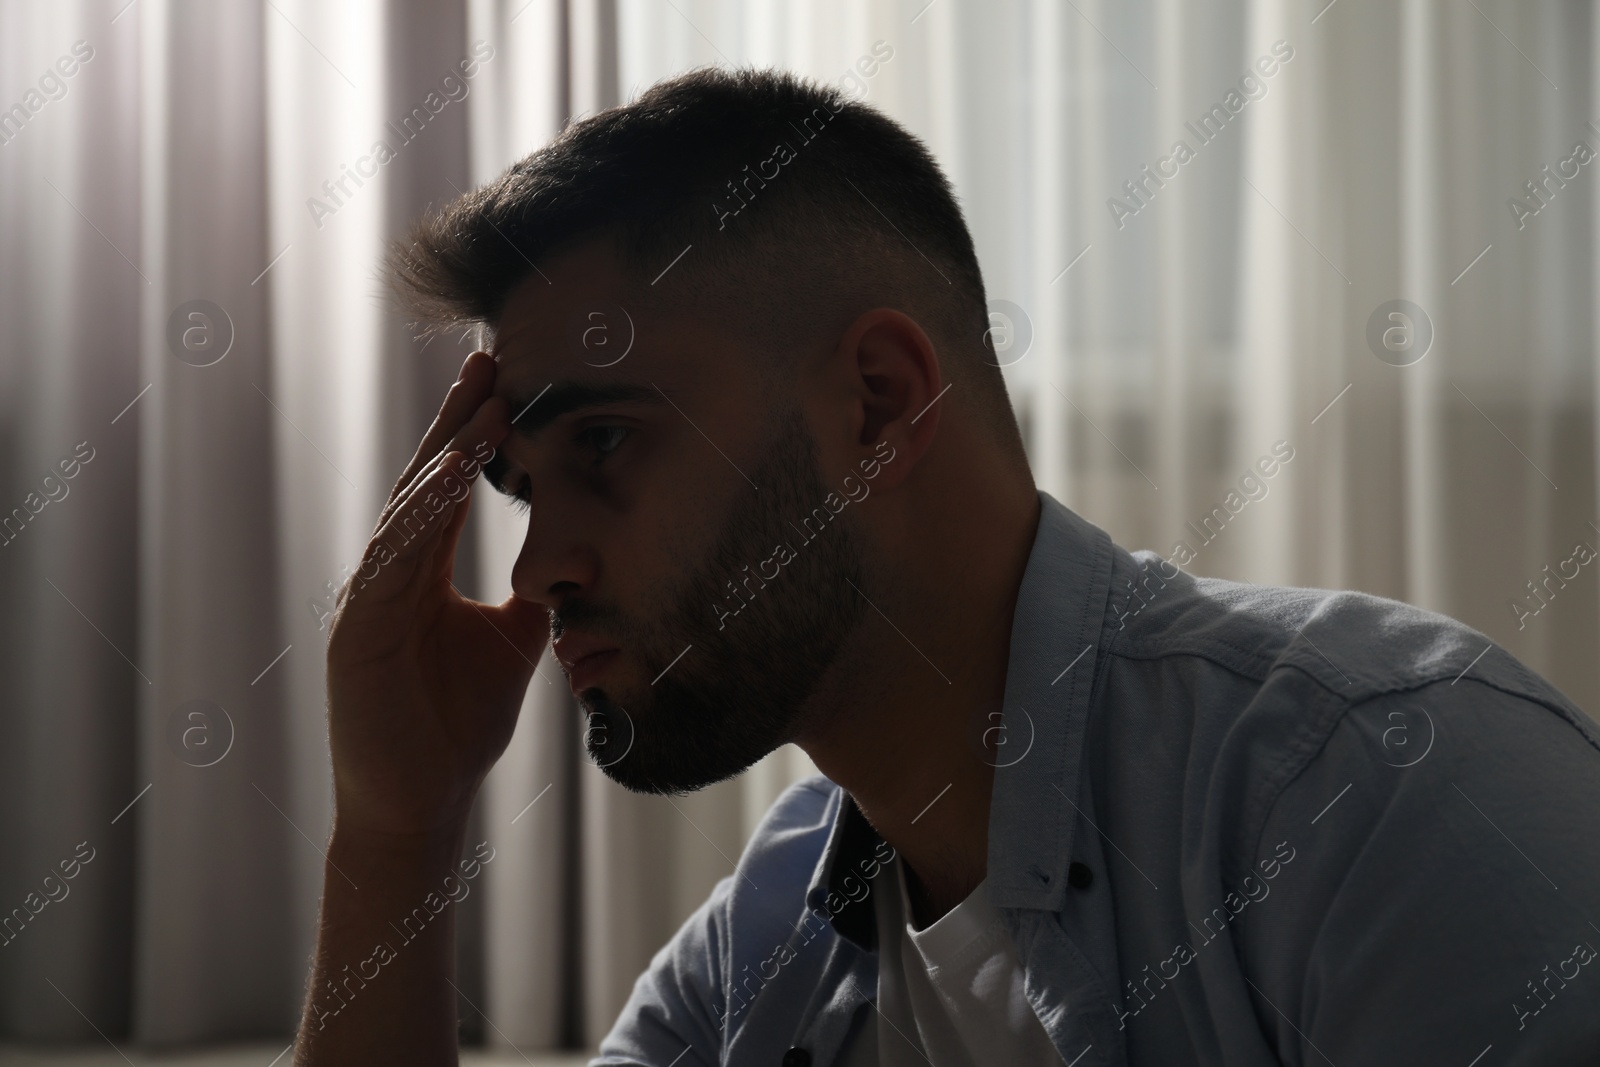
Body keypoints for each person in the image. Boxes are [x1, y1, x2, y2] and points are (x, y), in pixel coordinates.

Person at [293, 68, 1600, 1067]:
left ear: (875, 403)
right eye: (521, 492)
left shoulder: (1387, 793)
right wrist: (397, 836)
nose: (538, 574)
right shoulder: (763, 950)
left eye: (608, 444)